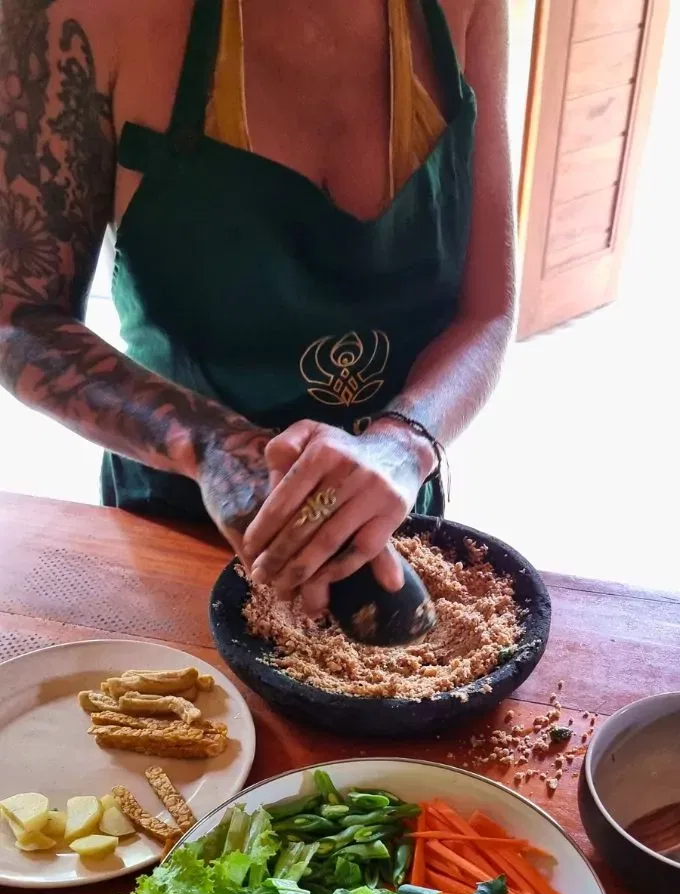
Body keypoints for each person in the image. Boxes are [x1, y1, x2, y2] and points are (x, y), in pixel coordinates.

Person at [0, 0, 514, 615]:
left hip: (391, 519)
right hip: (176, 519)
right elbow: (17, 315)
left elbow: (487, 313)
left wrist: (404, 444)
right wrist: (213, 445)